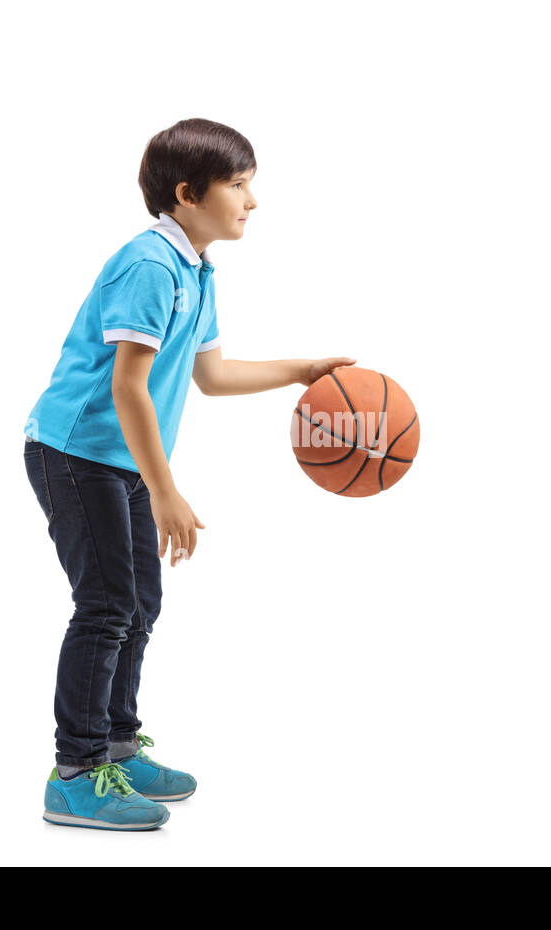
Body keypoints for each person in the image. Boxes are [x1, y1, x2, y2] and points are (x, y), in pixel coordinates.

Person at [23, 118, 354, 831]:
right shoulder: (149, 266)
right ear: (187, 193)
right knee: (107, 605)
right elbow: (128, 389)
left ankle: (115, 745)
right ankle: (75, 774)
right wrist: (166, 491)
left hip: (121, 460)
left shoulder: (196, 269)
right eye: (238, 184)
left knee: (139, 603)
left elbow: (212, 374)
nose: (252, 200)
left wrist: (304, 370)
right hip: (76, 453)